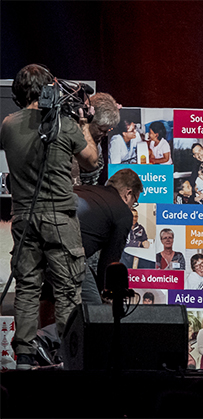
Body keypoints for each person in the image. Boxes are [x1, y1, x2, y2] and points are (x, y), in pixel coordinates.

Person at [0, 64, 99, 369]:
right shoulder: (65, 124)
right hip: (59, 218)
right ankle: (70, 356)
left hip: (23, 219)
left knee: (28, 286)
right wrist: (83, 123)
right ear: (47, 90)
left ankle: (25, 357)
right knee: (68, 287)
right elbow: (92, 162)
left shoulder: (7, 124)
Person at [74, 168, 142, 303]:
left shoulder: (85, 190)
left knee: (38, 295)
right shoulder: (123, 212)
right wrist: (105, 293)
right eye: (134, 202)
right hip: (67, 251)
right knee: (93, 308)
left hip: (36, 234)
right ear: (128, 193)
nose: (131, 207)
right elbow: (109, 261)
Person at [72, 92, 121, 186]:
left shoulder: (96, 139)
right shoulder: (73, 138)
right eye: (101, 130)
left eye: (108, 130)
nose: (105, 134)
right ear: (89, 119)